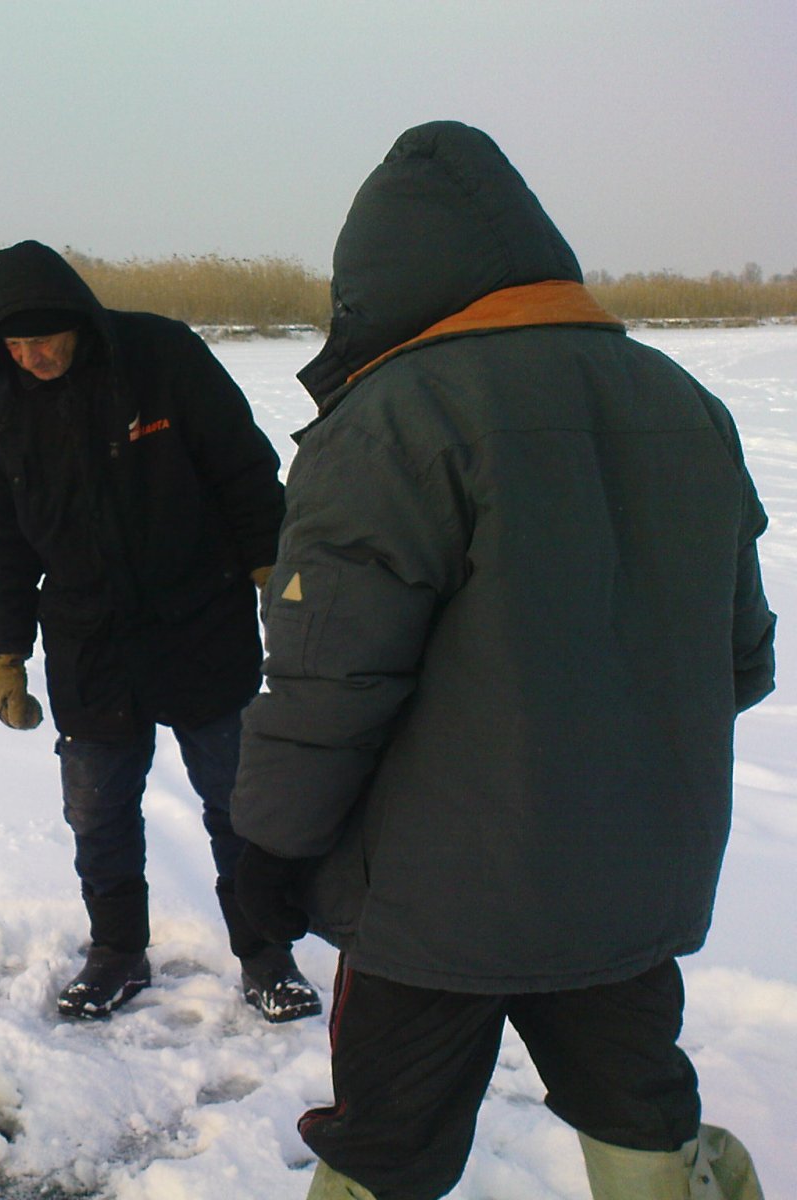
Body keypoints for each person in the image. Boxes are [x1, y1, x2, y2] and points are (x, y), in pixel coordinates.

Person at [230, 121, 775, 1200]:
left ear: (376, 283)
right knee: (641, 1117)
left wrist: (268, 847)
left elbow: (330, 685)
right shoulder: (683, 404)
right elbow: (742, 661)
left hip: (433, 906)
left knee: (387, 1143)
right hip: (629, 889)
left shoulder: (392, 420)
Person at [0, 239, 321, 1022]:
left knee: (238, 804)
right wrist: (4, 651)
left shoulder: (161, 358)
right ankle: (117, 952)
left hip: (202, 622)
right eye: (13, 346)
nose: (31, 358)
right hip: (89, 642)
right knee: (98, 813)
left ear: (79, 319)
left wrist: (274, 573)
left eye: (44, 340)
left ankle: (266, 955)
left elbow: (243, 469)